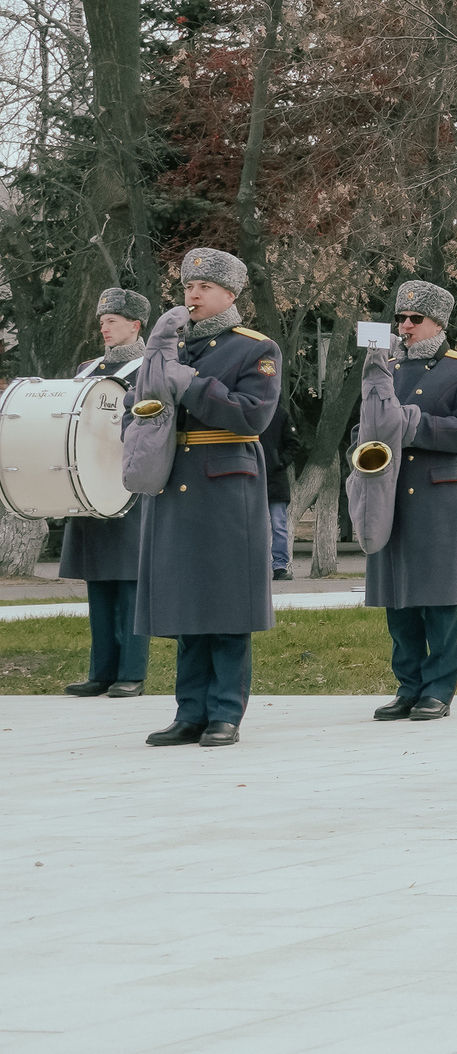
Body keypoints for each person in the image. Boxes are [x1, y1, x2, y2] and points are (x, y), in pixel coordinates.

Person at [129, 249, 282, 746]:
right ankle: (189, 712)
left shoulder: (255, 348)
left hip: (226, 481)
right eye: (188, 286)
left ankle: (225, 713)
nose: (192, 295)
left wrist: (191, 384)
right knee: (186, 601)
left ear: (230, 295)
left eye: (204, 287)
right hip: (175, 480)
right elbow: (142, 406)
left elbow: (252, 415)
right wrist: (153, 373)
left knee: (227, 601)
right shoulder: (171, 347)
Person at [361, 278, 457, 724]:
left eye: (415, 318)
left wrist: (412, 423)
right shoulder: (386, 367)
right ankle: (408, 685)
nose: (405, 326)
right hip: (390, 490)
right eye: (401, 318)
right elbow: (368, 422)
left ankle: (438, 688)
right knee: (397, 597)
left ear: (438, 323)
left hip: (437, 494)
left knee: (438, 598)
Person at [60, 288, 154, 699]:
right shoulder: (87, 369)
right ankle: (101, 671)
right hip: (89, 485)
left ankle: (131, 671)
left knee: (131, 582)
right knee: (97, 581)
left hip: (129, 485)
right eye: (102, 322)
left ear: (135, 325)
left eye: (112, 321)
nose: (104, 328)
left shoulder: (152, 366)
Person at [259, 378, 298, 581]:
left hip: (276, 480)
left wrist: (280, 462)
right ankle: (259, 565)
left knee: (278, 526)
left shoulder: (281, 414)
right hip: (253, 479)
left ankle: (280, 566)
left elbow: (294, 444)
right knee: (256, 527)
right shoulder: (251, 413)